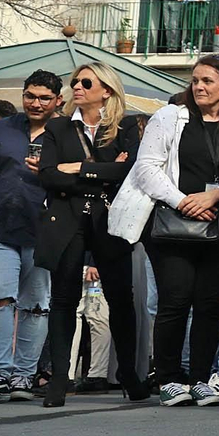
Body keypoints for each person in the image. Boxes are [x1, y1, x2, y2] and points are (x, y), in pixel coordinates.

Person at [108, 55, 219, 407]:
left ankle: (201, 378)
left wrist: (216, 195)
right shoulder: (169, 117)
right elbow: (147, 168)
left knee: (211, 304)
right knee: (174, 300)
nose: (199, 87)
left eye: (208, 81)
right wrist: (183, 200)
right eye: (195, 80)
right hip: (172, 225)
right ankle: (170, 378)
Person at [35, 63, 150, 406]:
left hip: (110, 221)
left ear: (107, 90)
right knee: (63, 299)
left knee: (120, 299)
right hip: (67, 220)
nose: (78, 87)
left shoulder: (125, 125)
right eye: (75, 82)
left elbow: (129, 171)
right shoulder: (58, 127)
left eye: (86, 82)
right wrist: (103, 171)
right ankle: (59, 378)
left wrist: (81, 167)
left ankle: (128, 373)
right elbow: (48, 175)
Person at [0, 73, 62, 404]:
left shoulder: (66, 133)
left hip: (44, 232)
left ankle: (24, 374)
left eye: (44, 98)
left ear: (57, 101)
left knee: (36, 306)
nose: (36, 103)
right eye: (30, 96)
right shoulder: (0, 128)